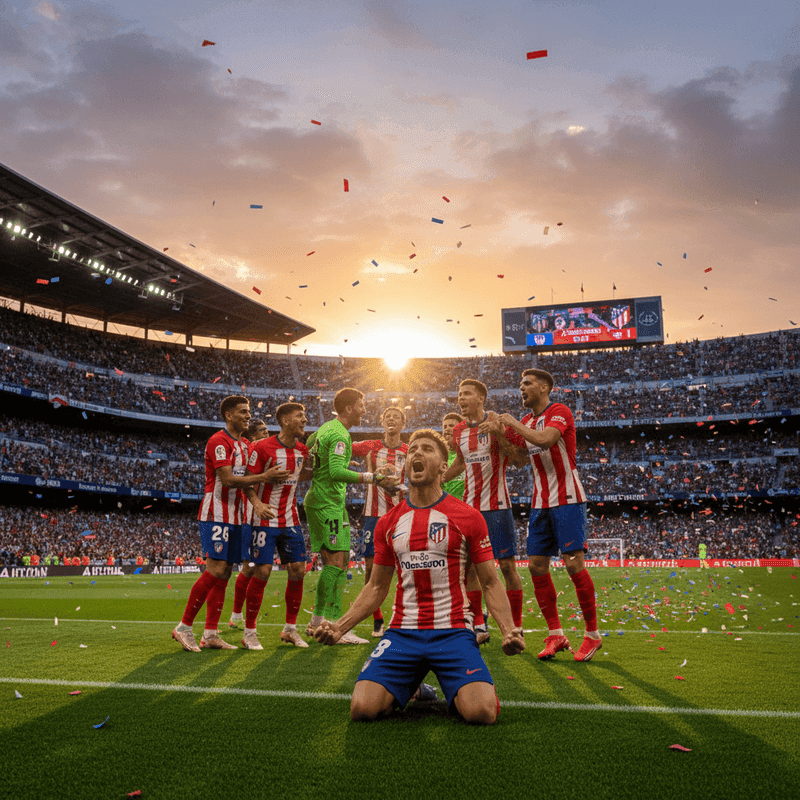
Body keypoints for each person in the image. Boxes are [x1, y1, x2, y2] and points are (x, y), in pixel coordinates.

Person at [314, 429, 525, 724]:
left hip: (453, 631)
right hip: (403, 632)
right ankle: (415, 688)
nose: (416, 453)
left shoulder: (468, 516)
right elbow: (376, 587)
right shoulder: (388, 522)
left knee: (481, 713)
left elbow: (490, 581)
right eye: (412, 449)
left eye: (427, 449)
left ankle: (459, 689)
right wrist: (339, 627)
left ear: (443, 466)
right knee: (363, 710)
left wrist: (508, 630)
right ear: (405, 464)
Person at [482, 368, 600, 662]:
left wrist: (510, 423)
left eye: (527, 384)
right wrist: (501, 434)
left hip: (568, 498)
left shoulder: (559, 411)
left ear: (544, 387)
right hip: (540, 502)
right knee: (536, 566)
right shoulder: (527, 421)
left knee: (573, 564)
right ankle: (555, 633)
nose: (521, 388)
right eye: (520, 384)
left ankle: (592, 635)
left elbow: (546, 440)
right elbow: (521, 460)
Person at [172, 396, 281, 652]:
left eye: (249, 411)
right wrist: (264, 476)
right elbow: (229, 479)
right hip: (216, 513)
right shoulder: (218, 441)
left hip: (237, 516)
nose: (248, 415)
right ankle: (184, 627)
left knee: (224, 574)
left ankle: (210, 634)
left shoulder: (244, 444)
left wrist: (255, 501)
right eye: (243, 412)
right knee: (215, 569)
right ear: (229, 416)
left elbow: (248, 480)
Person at [303, 388, 400, 644]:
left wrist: (335, 464)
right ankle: (326, 624)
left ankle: (320, 622)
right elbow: (335, 472)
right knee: (335, 564)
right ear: (348, 408)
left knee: (339, 563)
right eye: (361, 405)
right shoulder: (340, 435)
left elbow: (310, 445)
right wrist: (372, 477)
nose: (364, 410)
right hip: (327, 503)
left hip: (325, 501)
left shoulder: (326, 428)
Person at [441, 379, 524, 643]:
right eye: (459, 394)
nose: (461, 399)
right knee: (470, 570)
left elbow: (519, 460)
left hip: (498, 506)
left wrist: (499, 432)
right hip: (470, 509)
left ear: (481, 398)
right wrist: (440, 477)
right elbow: (461, 464)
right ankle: (479, 625)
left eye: (466, 394)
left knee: (508, 567)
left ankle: (515, 627)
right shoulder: (459, 432)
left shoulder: (498, 422)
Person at [240, 403, 313, 649]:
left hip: (290, 518)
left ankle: (290, 629)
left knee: (298, 568)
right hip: (264, 517)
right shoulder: (261, 447)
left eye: (305, 416)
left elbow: (304, 473)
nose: (305, 420)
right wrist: (257, 502)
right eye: (300, 416)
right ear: (284, 420)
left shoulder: (303, 450)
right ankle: (249, 631)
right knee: (262, 571)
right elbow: (246, 481)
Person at [351, 406, 409, 638]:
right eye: (388, 417)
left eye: (396, 417)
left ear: (403, 424)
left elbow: (414, 482)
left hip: (401, 515)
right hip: (374, 516)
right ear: (382, 422)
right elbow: (343, 445)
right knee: (371, 569)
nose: (392, 420)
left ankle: (402, 615)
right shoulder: (371, 446)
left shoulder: (409, 450)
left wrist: (396, 485)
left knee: (406, 568)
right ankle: (377, 619)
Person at [229, 417, 270, 628]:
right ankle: (237, 615)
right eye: (262, 431)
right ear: (252, 435)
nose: (267, 434)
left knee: (252, 567)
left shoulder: (261, 450)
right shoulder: (252, 448)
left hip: (259, 516)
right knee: (250, 567)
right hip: (250, 517)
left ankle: (237, 615)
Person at [441, 413, 465, 501]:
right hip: (445, 507)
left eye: (451, 426)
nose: (447, 429)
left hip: (468, 506)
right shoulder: (440, 456)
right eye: (445, 427)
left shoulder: (470, 453)